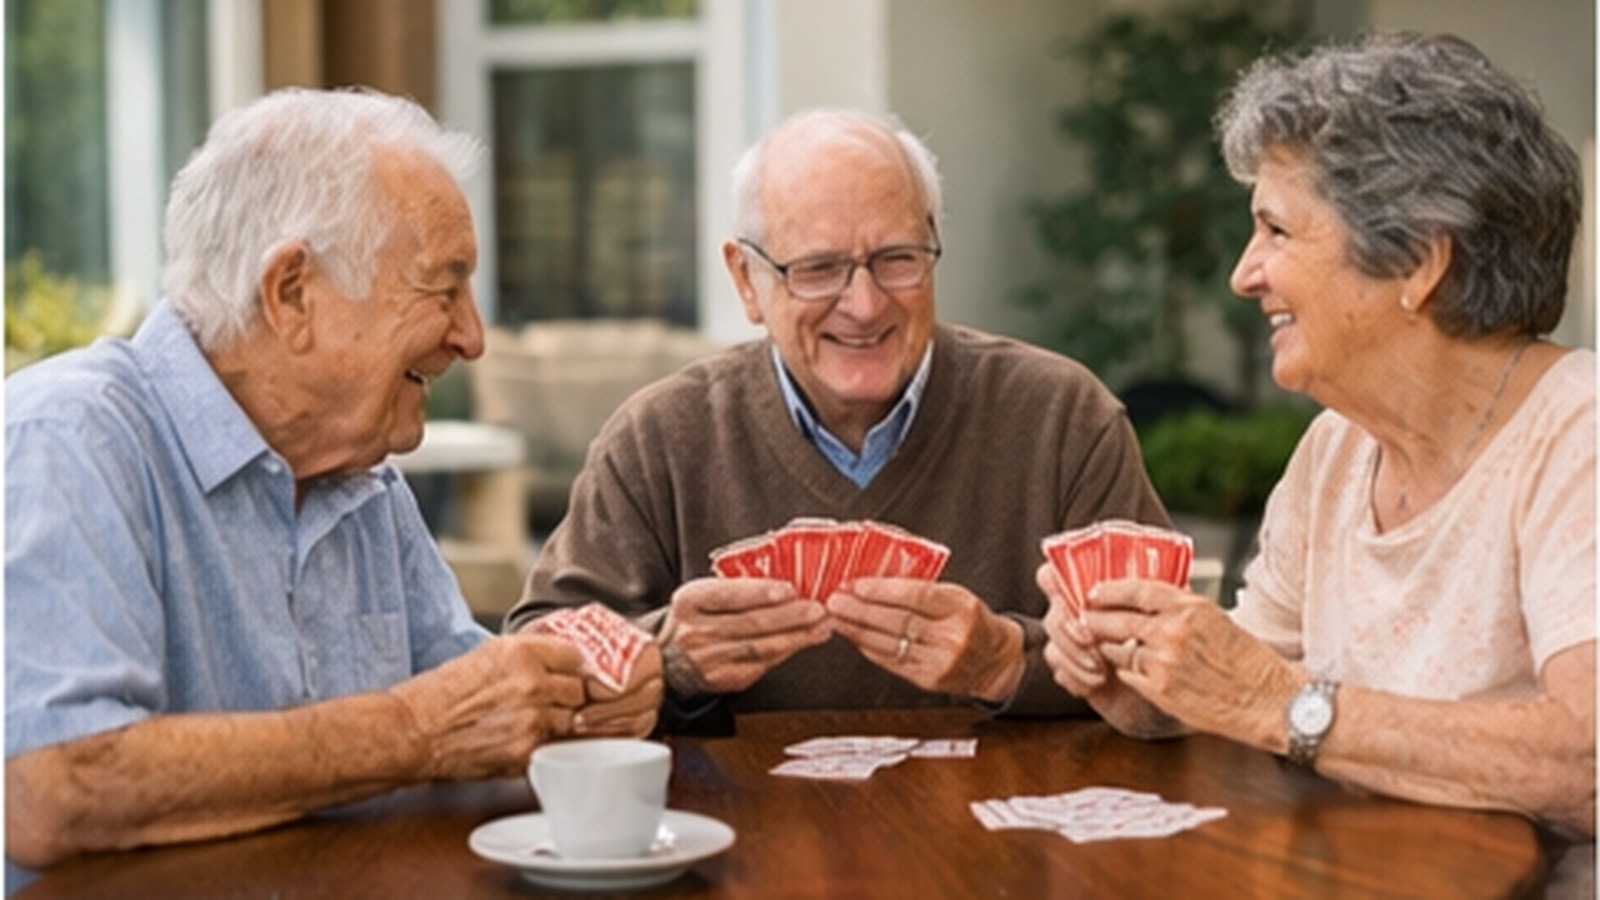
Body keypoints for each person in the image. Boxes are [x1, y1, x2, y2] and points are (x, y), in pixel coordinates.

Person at [4, 87, 661, 872]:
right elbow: (49, 791)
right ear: (292, 294)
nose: (473, 336)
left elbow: (473, 712)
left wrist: (580, 697)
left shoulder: (363, 481)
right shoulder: (65, 438)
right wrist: (416, 732)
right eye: (442, 286)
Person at [1039, 32, 1594, 895]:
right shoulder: (1337, 447)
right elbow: (1246, 685)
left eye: (1274, 230)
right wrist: (1140, 679)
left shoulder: (1579, 432)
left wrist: (1270, 700)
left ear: (1417, 261)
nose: (1242, 274)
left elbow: (1589, 759)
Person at [505, 108, 1169, 733]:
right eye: (819, 269)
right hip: (742, 841)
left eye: (897, 259)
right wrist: (667, 660)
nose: (864, 303)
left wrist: (1007, 663)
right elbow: (533, 663)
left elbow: (1168, 680)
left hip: (1008, 841)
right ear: (746, 280)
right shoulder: (658, 440)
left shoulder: (1064, 419)